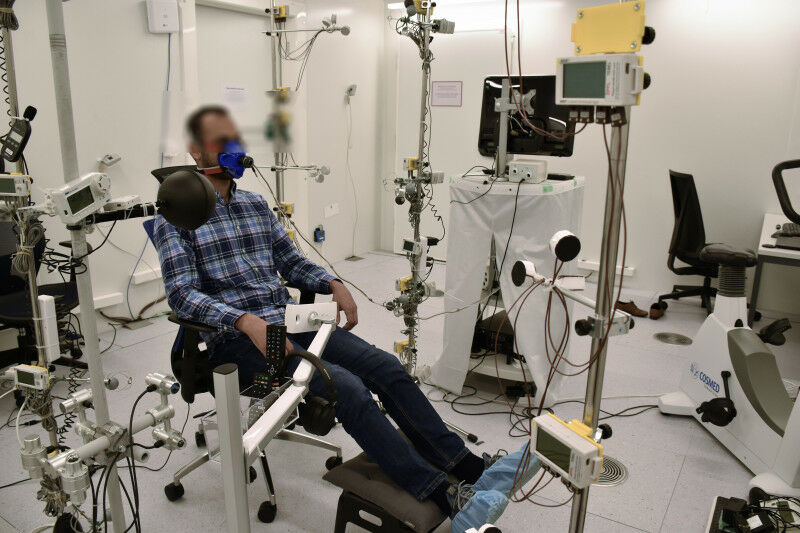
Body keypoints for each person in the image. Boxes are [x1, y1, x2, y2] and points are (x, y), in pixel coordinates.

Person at [152, 105, 538, 531]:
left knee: (385, 367)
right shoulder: (176, 215)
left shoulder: (255, 204)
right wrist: (244, 320)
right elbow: (182, 296)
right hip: (240, 338)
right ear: (195, 151)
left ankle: (471, 468)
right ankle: (444, 496)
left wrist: (332, 282)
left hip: (289, 320)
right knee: (348, 389)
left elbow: (290, 261)